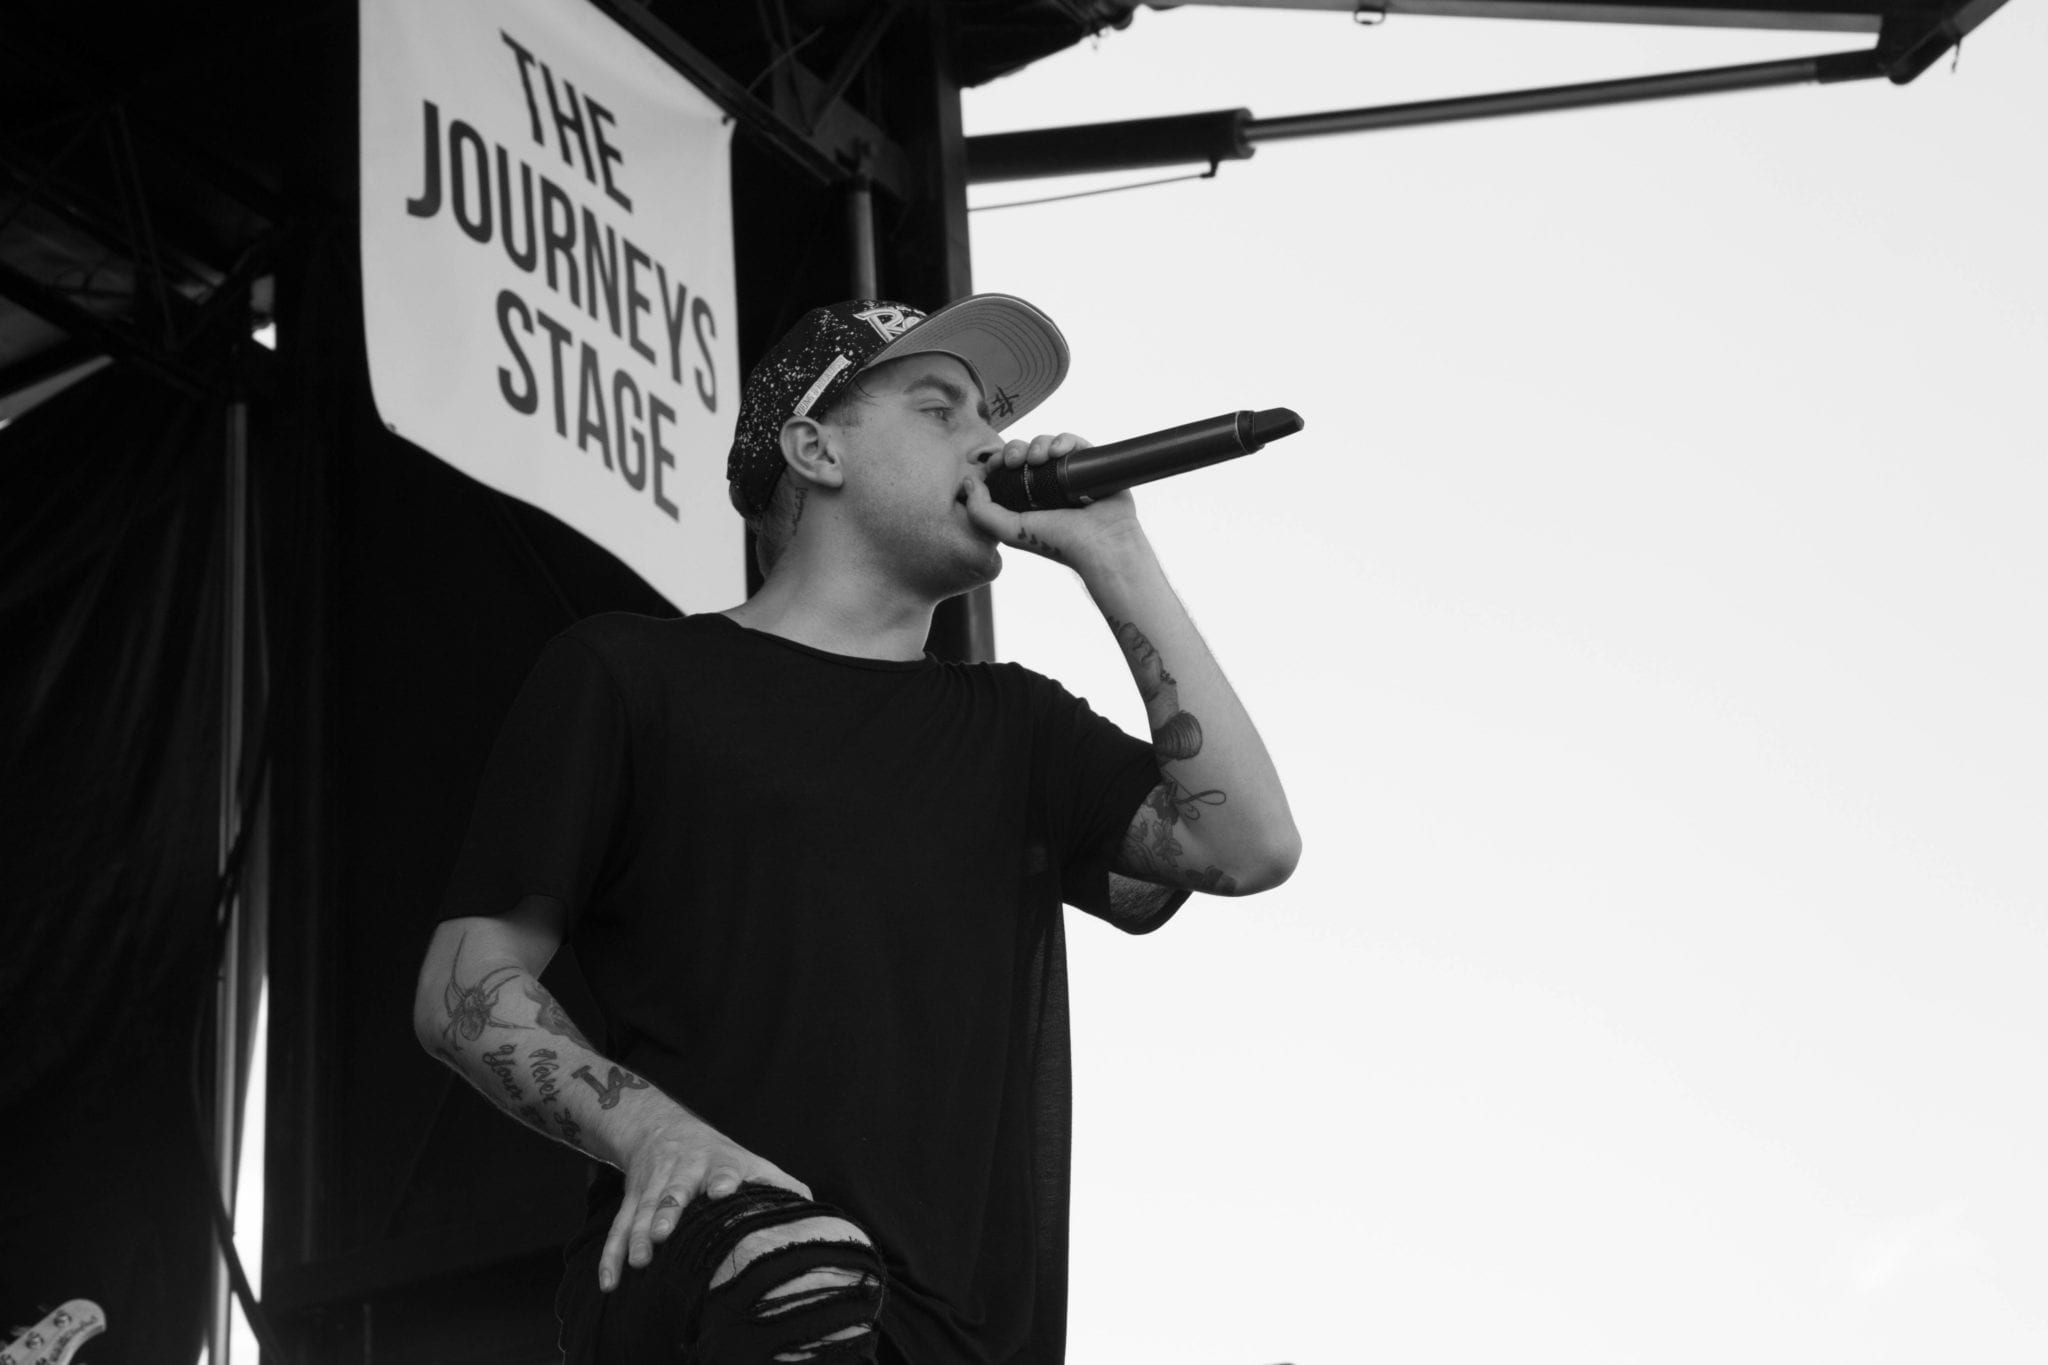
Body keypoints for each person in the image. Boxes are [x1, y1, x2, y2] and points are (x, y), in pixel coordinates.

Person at [413, 293, 1300, 1364]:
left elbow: (1246, 846)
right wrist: (655, 1133)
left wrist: (1114, 550)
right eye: (939, 410)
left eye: (993, 417)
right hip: (723, 1271)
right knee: (801, 1280)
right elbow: (463, 986)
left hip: (956, 1333)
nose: (989, 442)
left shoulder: (1019, 727)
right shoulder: (633, 675)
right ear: (816, 449)